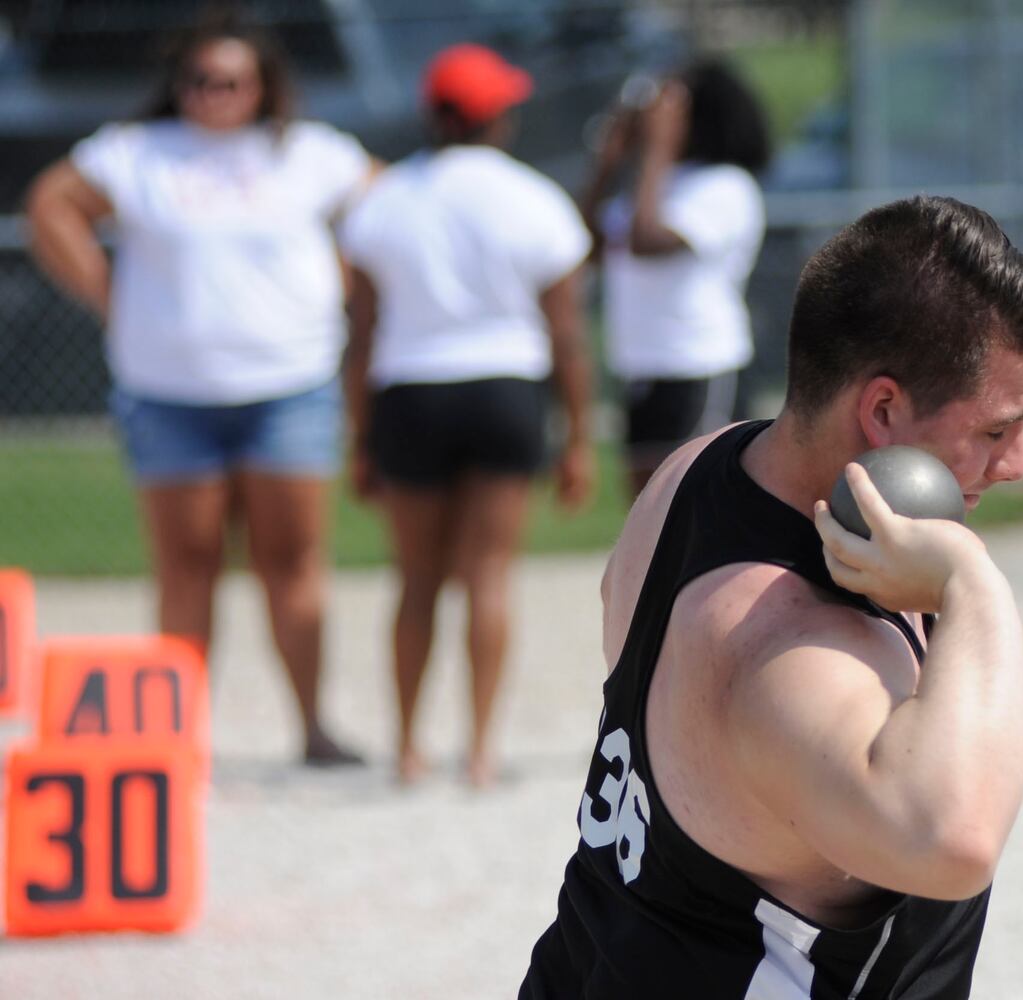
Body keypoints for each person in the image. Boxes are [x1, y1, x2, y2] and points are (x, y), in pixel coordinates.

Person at [520, 195, 1023, 998]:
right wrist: (971, 583)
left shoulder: (696, 468)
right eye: (995, 430)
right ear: (881, 409)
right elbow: (955, 843)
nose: (1015, 464)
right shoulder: (794, 650)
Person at [25, 15, 375, 765]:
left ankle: (313, 726)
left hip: (289, 387)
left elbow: (385, 208)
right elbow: (51, 203)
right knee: (187, 567)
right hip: (168, 392)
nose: (213, 95)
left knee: (293, 562)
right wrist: (103, 291)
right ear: (176, 84)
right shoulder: (136, 151)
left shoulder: (308, 153)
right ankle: (180, 733)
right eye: (198, 80)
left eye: (231, 81)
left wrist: (339, 282)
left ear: (262, 87)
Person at [339, 44, 594, 787]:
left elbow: (360, 336)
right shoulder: (534, 198)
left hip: (411, 390)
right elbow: (567, 338)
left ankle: (408, 749)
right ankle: (480, 753)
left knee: (415, 579)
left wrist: (360, 437)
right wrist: (576, 435)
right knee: (488, 576)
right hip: (505, 389)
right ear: (498, 118)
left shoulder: (383, 199)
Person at [582, 58, 771, 498]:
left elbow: (646, 241)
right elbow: (588, 246)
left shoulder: (726, 186)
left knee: (693, 502)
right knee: (646, 509)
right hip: (642, 366)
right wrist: (607, 165)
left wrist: (656, 151)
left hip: (698, 364)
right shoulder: (653, 186)